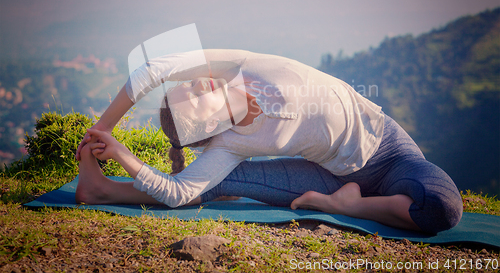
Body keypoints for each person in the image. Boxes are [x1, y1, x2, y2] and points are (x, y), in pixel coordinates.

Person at [75, 49, 463, 234]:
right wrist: (123, 157)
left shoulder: (240, 66)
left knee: (443, 208)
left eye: (189, 85)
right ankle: (101, 190)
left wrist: (104, 129)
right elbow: (178, 192)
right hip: (326, 174)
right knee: (214, 184)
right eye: (195, 96)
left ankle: (349, 206)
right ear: (205, 124)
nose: (199, 82)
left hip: (390, 152)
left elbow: (153, 68)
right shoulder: (227, 145)